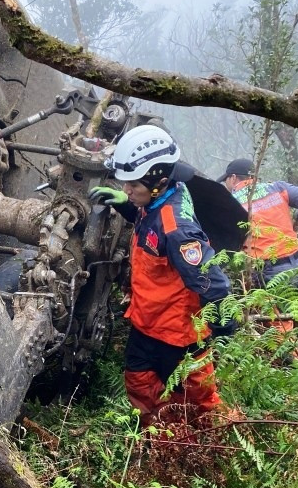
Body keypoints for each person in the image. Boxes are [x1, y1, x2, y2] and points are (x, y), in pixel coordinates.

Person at [89, 125, 235, 424]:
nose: (127, 190)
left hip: (177, 332)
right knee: (139, 380)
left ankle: (203, 438)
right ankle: (159, 433)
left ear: (159, 180)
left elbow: (211, 280)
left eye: (132, 186)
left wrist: (224, 326)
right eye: (124, 183)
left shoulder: (177, 230)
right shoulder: (158, 196)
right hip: (147, 319)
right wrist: (126, 206)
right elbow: (149, 224)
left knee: (198, 399)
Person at [218, 158, 298, 287]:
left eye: (225, 180)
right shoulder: (276, 188)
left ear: (233, 178)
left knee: (275, 306)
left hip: (270, 269)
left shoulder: (230, 203)